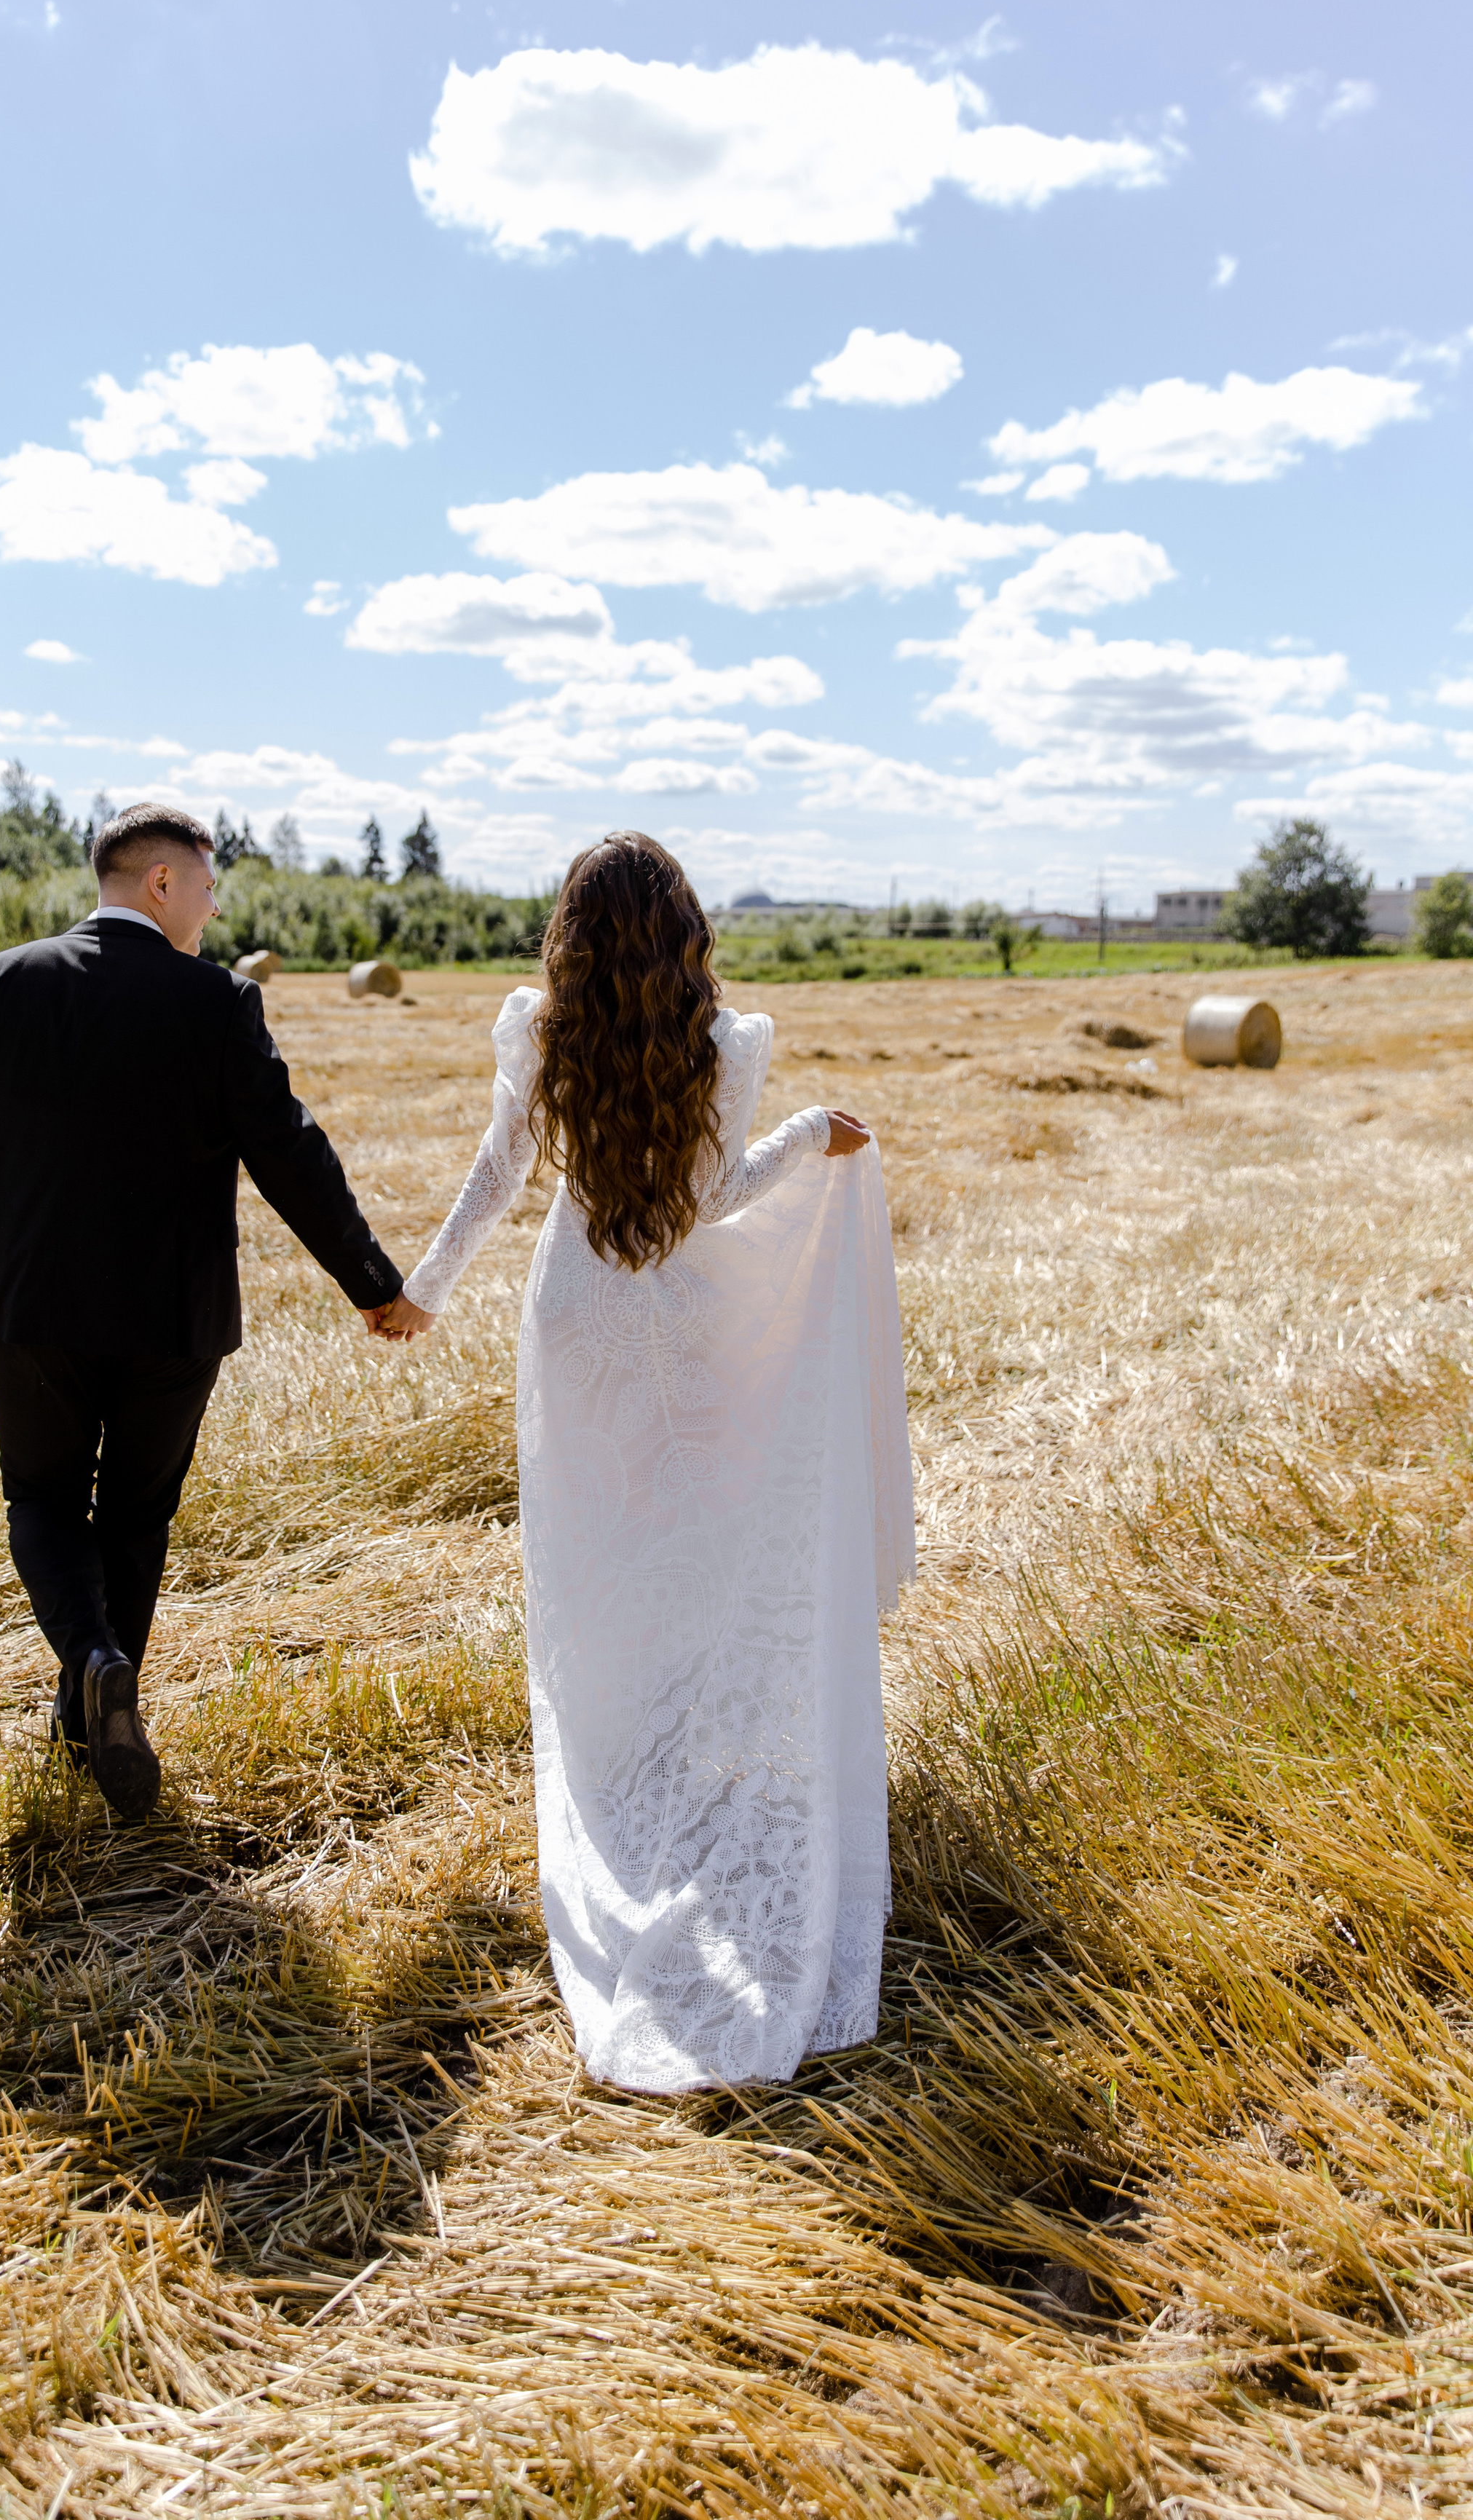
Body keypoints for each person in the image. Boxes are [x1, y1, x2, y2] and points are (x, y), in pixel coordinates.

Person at [380, 833, 914, 2092]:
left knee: (599, 1557)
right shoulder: (725, 1048)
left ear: (571, 932)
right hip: (683, 1323)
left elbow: (497, 1176)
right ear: (683, 930)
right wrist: (803, 1142)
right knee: (703, 1544)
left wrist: (422, 1292)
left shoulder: (541, 1033)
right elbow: (713, 1200)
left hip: (577, 1321)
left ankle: (623, 1770)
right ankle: (701, 1753)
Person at [0, 802, 422, 1822]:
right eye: (209, 888)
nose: (216, 912)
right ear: (162, 883)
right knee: (135, 1518)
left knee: (43, 1504)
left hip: (35, 1307)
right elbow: (290, 1155)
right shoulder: (214, 1003)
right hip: (172, 1318)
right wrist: (372, 1283)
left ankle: (92, 1671)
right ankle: (91, 1718)